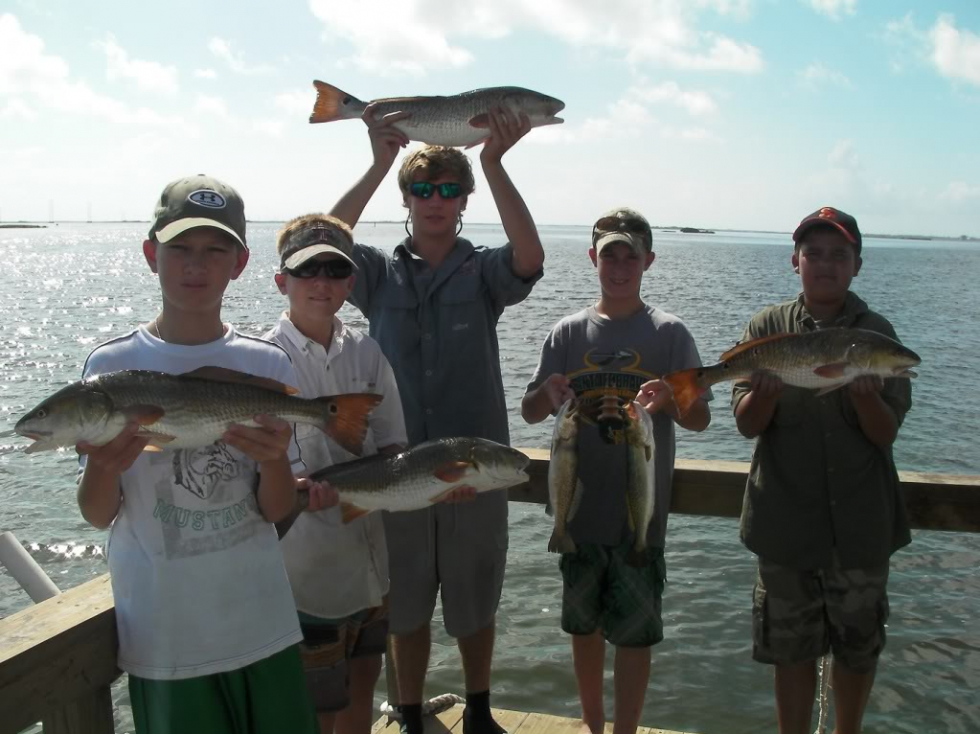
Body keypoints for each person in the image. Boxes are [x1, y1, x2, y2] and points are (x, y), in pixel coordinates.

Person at [75, 174, 319, 733]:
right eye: (180, 248)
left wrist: (277, 461)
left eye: (215, 251)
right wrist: (108, 467)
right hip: (165, 632)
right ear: (149, 254)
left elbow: (277, 510)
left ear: (239, 263)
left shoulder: (268, 366)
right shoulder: (110, 369)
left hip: (262, 619)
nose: (195, 265)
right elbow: (96, 513)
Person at [328, 106, 545, 734]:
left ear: (463, 201)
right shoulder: (376, 272)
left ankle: (478, 710)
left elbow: (528, 254)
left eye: (450, 190)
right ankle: (414, 714)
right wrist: (378, 163)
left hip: (477, 466)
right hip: (397, 469)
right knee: (406, 607)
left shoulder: (483, 272)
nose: (435, 200)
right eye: (423, 189)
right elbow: (323, 239)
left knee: (476, 602)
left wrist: (496, 163)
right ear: (408, 197)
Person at [521, 208, 711, 734]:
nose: (620, 266)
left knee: (633, 637)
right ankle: (592, 724)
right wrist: (548, 394)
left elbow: (700, 419)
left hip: (640, 522)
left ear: (649, 260)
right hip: (577, 519)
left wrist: (674, 399)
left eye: (631, 255)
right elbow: (530, 411)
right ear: (593, 259)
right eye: (610, 255)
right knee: (583, 630)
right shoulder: (567, 332)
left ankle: (625, 729)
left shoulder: (670, 334)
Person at [731, 207, 912, 734]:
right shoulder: (767, 329)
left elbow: (885, 434)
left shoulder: (878, 335)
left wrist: (867, 401)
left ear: (857, 265)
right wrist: (763, 395)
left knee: (857, 650)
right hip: (784, 527)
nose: (826, 264)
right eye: (814, 253)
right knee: (790, 651)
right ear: (795, 261)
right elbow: (747, 425)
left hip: (860, 529)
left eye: (839, 255)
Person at [263, 213, 408, 734]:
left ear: (350, 282)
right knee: (316, 710)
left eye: (334, 270)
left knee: (363, 687)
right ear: (282, 280)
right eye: (307, 271)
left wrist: (434, 483)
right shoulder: (261, 362)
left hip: (370, 568)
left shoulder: (367, 352)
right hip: (306, 578)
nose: (321, 282)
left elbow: (394, 442)